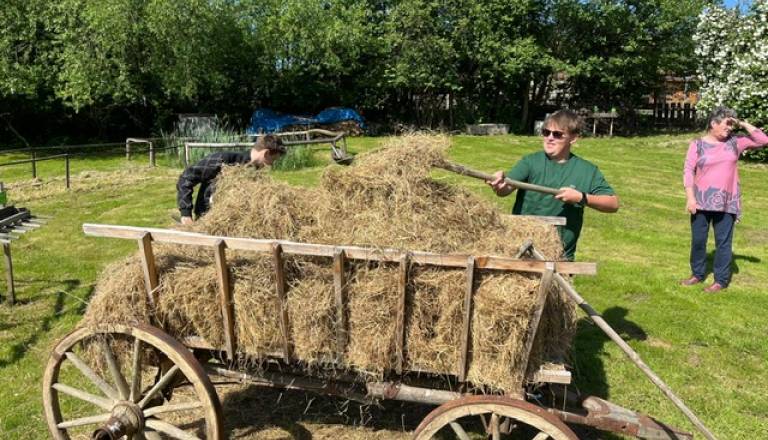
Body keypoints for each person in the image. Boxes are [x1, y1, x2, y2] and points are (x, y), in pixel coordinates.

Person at [488, 109, 619, 260]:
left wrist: (580, 197)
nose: (550, 138)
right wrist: (498, 183)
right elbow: (504, 190)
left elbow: (613, 204)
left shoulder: (587, 170)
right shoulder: (530, 162)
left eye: (557, 134)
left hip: (560, 256)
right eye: (546, 132)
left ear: (573, 138)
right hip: (521, 252)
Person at [680, 106, 768, 293]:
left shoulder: (736, 142)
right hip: (701, 201)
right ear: (713, 123)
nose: (729, 128)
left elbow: (763, 140)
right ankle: (697, 273)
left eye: (731, 125)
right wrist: (690, 198)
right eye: (726, 124)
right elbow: (688, 171)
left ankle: (720, 280)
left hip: (727, 202)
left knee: (723, 243)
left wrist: (741, 123)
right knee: (698, 241)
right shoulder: (697, 144)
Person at [177, 134, 286, 224]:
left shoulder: (256, 174)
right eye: (273, 160)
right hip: (207, 221)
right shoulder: (223, 160)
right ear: (266, 153)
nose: (271, 165)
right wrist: (186, 214)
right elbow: (186, 178)